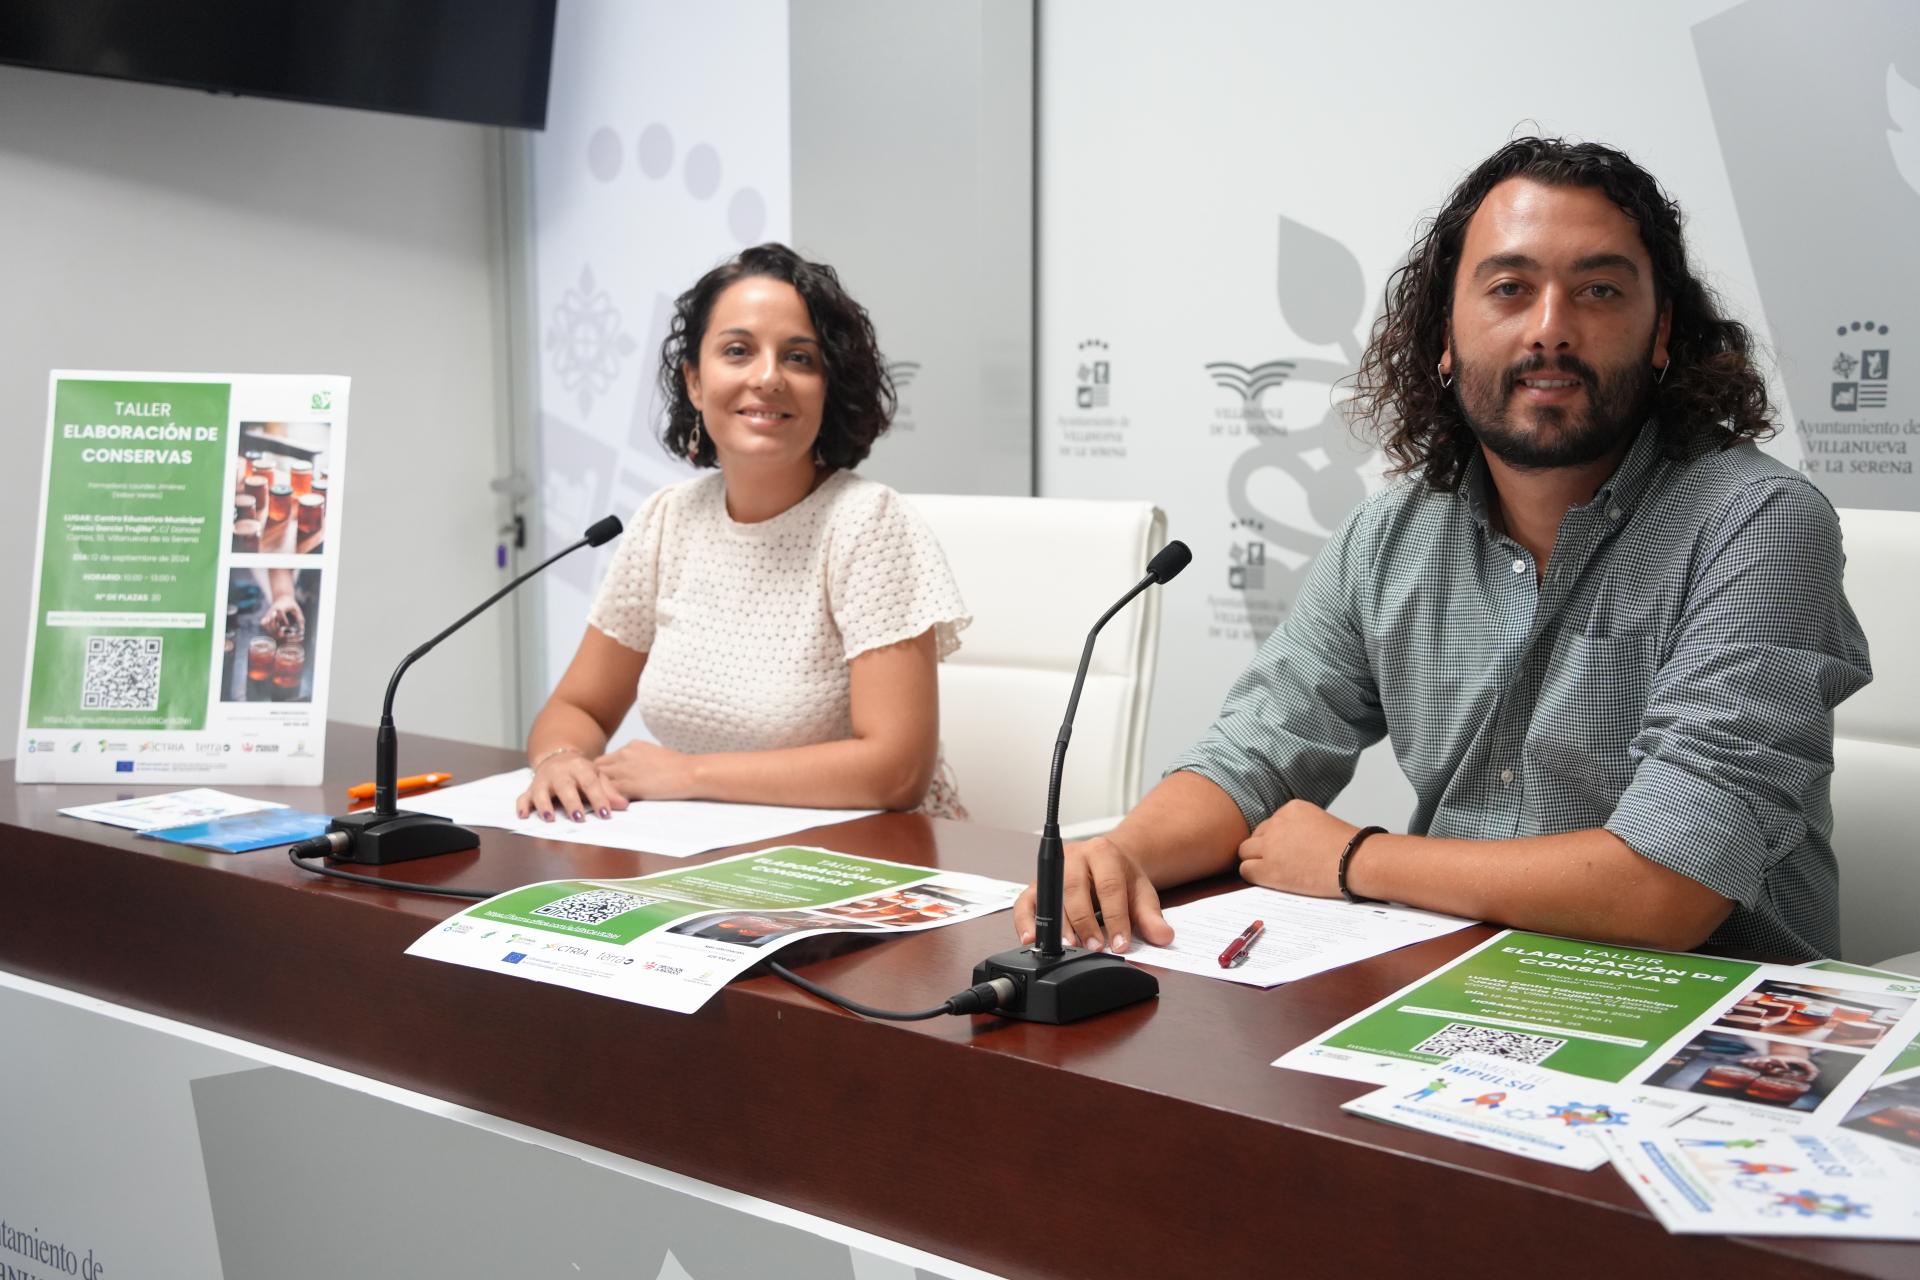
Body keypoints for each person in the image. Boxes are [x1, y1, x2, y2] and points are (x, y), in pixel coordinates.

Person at [1014, 137, 1871, 963]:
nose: (1551, 328)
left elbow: (1668, 886)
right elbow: (1254, 755)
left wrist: (1357, 860)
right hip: (1461, 990)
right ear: (1447, 339)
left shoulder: (1756, 522)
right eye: (1508, 288)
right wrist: (1121, 854)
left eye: (1600, 291)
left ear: (1660, 333)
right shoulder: (1391, 535)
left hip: (1710, 1025)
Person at [518, 244, 969, 822]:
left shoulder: (868, 524)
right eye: (737, 351)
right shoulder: (667, 520)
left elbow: (897, 770)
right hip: (707, 845)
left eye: (800, 359)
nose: (767, 377)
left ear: (828, 388)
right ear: (695, 383)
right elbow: (578, 706)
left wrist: (687, 775)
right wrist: (560, 759)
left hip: (865, 861)